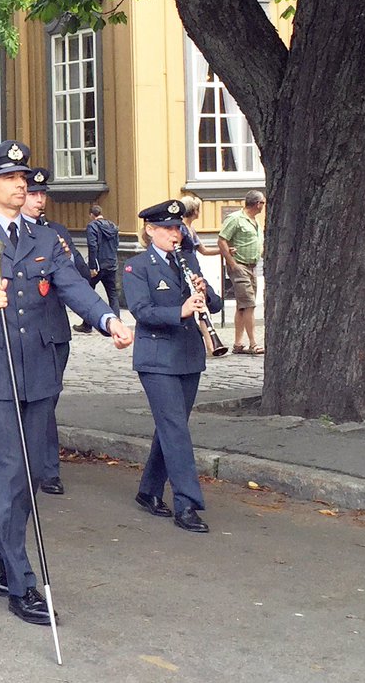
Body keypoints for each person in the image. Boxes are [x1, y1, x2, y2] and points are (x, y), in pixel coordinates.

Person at [0, 140, 132, 625]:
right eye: (8, 177)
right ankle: (21, 580)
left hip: (38, 373)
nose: (20, 183)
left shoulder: (44, 239)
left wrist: (108, 318)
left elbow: (70, 285)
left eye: (23, 177)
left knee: (29, 475)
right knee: (6, 476)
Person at [123, 199, 222, 533]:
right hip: (156, 357)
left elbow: (217, 304)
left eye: (177, 228)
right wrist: (179, 311)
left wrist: (204, 293)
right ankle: (187, 503)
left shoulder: (188, 259)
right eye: (167, 228)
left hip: (188, 355)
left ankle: (148, 490)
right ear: (151, 231)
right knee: (176, 429)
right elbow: (141, 311)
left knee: (170, 427)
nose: (174, 234)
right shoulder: (137, 266)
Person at [19, 167, 88, 496]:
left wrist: (69, 254)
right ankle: (36, 467)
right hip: (26, 330)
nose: (38, 200)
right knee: (31, 400)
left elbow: (82, 279)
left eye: (42, 194)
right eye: (33, 194)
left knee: (48, 400)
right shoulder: (13, 234)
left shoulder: (55, 231)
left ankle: (46, 468)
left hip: (55, 330)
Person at [216, 190, 266, 354]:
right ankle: (253, 343)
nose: (264, 206)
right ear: (257, 204)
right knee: (249, 303)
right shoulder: (236, 219)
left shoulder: (254, 220)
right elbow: (222, 239)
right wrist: (232, 263)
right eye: (263, 203)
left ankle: (238, 344)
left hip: (252, 265)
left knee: (242, 306)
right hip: (240, 266)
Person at [78, 204, 121, 331]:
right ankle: (117, 323)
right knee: (113, 294)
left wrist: (92, 266)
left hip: (98, 266)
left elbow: (92, 246)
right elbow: (116, 244)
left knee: (88, 294)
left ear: (91, 215)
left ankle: (87, 324)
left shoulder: (92, 226)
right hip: (112, 264)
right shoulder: (113, 226)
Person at [179, 195, 220, 259]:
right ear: (195, 210)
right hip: (183, 265)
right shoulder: (180, 228)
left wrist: (224, 250)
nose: (200, 212)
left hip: (193, 265)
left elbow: (204, 251)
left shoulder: (191, 228)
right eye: (198, 209)